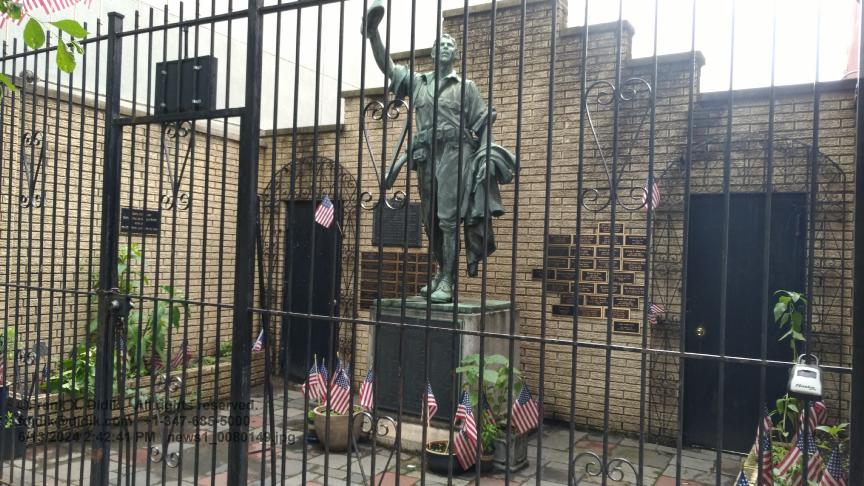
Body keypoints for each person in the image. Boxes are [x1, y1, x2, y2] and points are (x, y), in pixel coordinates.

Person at [364, 5, 516, 303]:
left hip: (455, 154)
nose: (445, 47)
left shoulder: (466, 87)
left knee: (447, 219)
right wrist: (373, 34)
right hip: (425, 156)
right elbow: (389, 67)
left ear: (455, 55)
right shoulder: (418, 83)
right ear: (433, 53)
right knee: (430, 220)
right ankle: (440, 271)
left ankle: (448, 279)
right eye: (440, 44)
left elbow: (483, 125)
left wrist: (485, 157)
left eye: (450, 45)